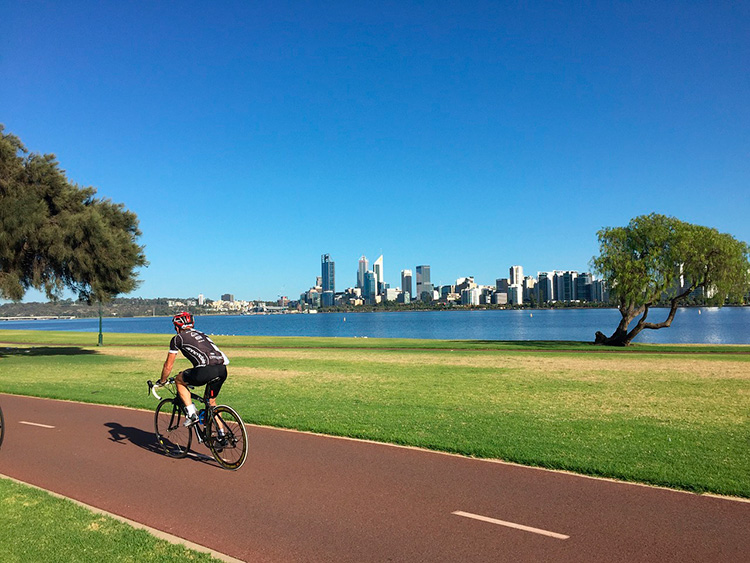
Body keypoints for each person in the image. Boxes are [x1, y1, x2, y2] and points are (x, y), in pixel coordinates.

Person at [155, 312, 229, 426]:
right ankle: (222, 434)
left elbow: (168, 366)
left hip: (205, 370)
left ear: (177, 327)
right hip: (222, 369)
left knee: (179, 380)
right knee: (211, 402)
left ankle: (191, 414)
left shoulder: (177, 338)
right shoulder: (202, 334)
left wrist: (162, 381)